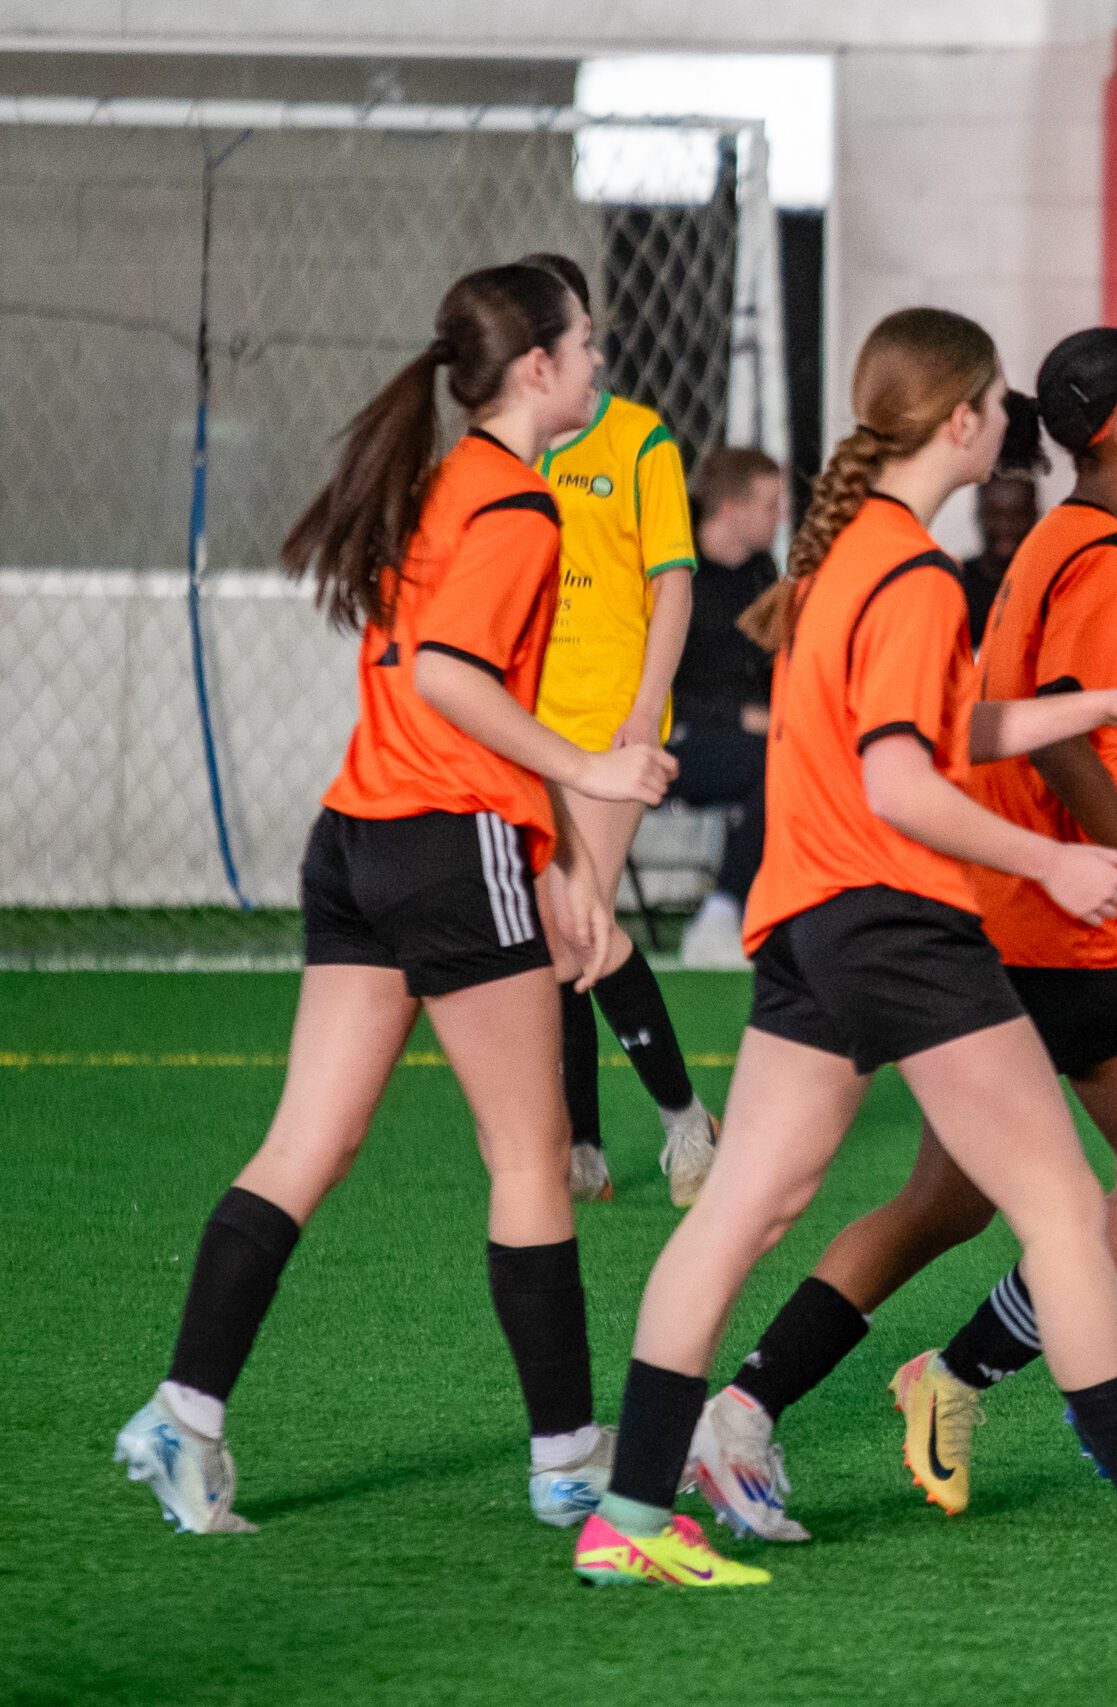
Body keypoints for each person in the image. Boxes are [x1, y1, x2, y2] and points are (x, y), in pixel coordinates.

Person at [570, 308, 1117, 1593]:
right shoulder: (912, 570)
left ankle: (630, 1513)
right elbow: (902, 781)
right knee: (1063, 1216)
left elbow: (947, 722)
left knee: (752, 1202)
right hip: (896, 919)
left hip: (806, 919)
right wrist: (1053, 860)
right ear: (963, 420)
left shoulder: (858, 550)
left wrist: (1107, 702)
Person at [113, 263, 675, 1536]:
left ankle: (183, 1416)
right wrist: (587, 771)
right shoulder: (519, 505)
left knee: (309, 1145)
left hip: (356, 843)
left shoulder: (441, 485)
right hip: (439, 844)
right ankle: (567, 1463)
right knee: (529, 1158)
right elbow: (446, 678)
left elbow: (429, 692)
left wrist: (551, 858)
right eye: (586, 343)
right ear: (536, 366)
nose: (598, 362)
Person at [516, 254, 719, 1208]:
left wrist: (645, 711)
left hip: (611, 721)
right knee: (554, 931)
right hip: (525, 729)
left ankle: (684, 1121)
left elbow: (672, 584)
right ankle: (584, 1148)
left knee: (577, 929)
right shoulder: (509, 452)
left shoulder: (641, 443)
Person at [671, 446, 786, 970]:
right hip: (678, 739)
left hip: (755, 736)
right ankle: (723, 911)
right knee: (773, 764)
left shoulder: (762, 574)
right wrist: (740, 717)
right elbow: (655, 690)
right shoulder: (676, 577)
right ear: (732, 510)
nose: (779, 516)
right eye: (769, 504)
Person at [961, 392, 1046, 648]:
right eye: (995, 514)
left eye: (1017, 514)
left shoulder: (1049, 590)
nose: (1005, 526)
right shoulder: (958, 588)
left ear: (1035, 515)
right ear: (978, 514)